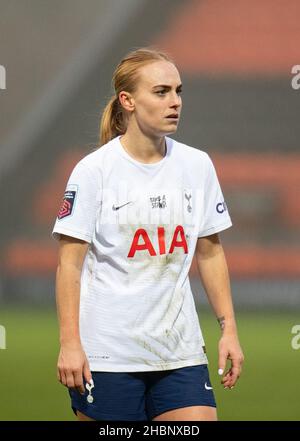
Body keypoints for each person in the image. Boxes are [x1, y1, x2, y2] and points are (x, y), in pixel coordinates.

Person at [52, 47, 244, 422]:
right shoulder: (94, 172)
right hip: (107, 356)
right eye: (161, 92)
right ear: (128, 101)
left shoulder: (197, 165)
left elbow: (210, 252)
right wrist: (70, 343)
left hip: (180, 353)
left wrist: (229, 329)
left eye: (178, 91)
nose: (175, 102)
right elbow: (69, 266)